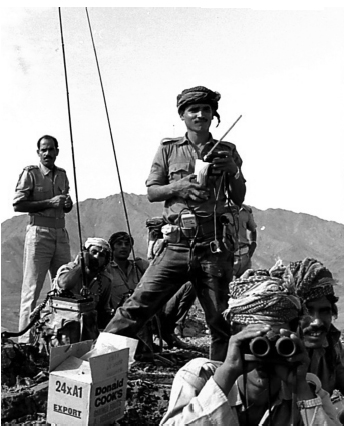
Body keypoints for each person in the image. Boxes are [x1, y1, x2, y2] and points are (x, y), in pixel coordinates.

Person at [105, 86, 246, 362]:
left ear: (213, 115)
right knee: (136, 307)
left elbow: (238, 198)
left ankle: (218, 385)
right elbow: (152, 192)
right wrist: (179, 187)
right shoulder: (169, 149)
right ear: (182, 115)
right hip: (176, 245)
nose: (201, 114)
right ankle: (97, 370)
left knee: (219, 321)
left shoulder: (227, 150)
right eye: (194, 110)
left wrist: (234, 171)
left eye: (206, 109)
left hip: (213, 248)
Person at [161, 274, 340, 425]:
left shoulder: (307, 387)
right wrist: (226, 375)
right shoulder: (198, 379)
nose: (266, 356)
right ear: (235, 339)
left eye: (281, 345)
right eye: (257, 345)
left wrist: (302, 390)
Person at [13, 135, 73, 343]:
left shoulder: (63, 175)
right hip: (39, 234)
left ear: (57, 151)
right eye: (44, 150)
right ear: (38, 152)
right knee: (32, 291)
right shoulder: (31, 174)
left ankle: (57, 342)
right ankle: (25, 344)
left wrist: (66, 204)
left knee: (65, 288)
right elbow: (18, 204)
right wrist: (50, 202)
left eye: (51, 149)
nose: (48, 153)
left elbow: (65, 204)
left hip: (61, 234)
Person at [108, 231, 196, 349]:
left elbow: (158, 273)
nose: (123, 247)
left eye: (127, 244)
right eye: (119, 244)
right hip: (124, 314)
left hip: (149, 311)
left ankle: (168, 331)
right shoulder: (107, 269)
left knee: (189, 286)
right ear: (112, 247)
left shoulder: (138, 266)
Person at [283, 257, 344, 396]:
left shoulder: (332, 347)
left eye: (324, 311)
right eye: (307, 312)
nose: (317, 322)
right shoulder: (274, 351)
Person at [54, 237, 113, 332]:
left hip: (88, 328)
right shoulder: (68, 270)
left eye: (101, 255)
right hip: (62, 327)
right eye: (93, 252)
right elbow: (64, 284)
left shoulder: (106, 280)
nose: (96, 257)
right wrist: (81, 265)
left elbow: (103, 310)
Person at [233, 204, 257, 278]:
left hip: (244, 256)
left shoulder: (246, 211)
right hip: (230, 256)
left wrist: (253, 244)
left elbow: (253, 229)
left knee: (245, 284)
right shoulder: (221, 209)